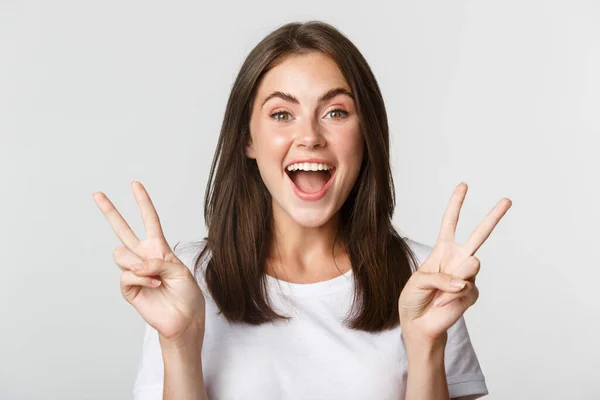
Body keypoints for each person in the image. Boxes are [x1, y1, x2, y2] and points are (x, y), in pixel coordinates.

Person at [93, 20, 512, 400]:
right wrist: (180, 342)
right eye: (281, 114)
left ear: (367, 135)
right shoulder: (187, 279)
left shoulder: (427, 276)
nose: (309, 136)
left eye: (335, 112)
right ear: (248, 141)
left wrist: (427, 345)